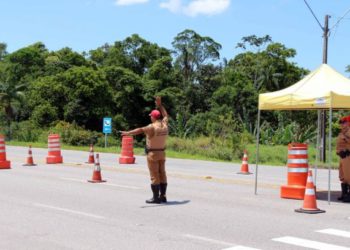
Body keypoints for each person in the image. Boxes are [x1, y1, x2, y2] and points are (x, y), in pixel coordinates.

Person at [121, 96, 169, 204]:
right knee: (163, 174)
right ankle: (163, 196)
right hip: (162, 153)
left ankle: (156, 198)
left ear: (153, 117)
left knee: (154, 175)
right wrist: (160, 105)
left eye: (151, 116)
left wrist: (128, 133)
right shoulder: (164, 124)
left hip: (153, 154)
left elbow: (140, 130)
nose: (150, 117)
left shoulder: (152, 127)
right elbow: (165, 115)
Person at [336, 115, 350, 202]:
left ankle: (349, 195)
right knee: (342, 176)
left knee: (349, 176)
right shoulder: (342, 132)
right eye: (341, 122)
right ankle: (344, 194)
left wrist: (345, 138)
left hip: (348, 156)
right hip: (342, 156)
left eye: (344, 122)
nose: (342, 124)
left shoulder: (348, 132)